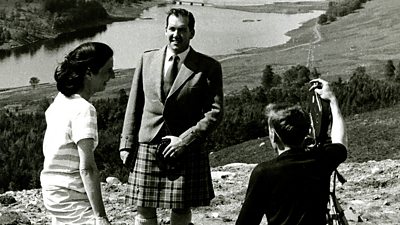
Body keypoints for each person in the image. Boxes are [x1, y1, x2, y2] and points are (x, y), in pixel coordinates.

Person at [119, 8, 224, 225]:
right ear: (165, 30)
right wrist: (126, 144)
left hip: (183, 148)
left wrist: (185, 140)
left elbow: (215, 112)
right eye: (172, 29)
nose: (176, 35)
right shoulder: (147, 59)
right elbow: (135, 104)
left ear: (192, 32)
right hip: (148, 144)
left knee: (181, 207)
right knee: (144, 209)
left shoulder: (208, 67)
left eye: (182, 30)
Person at [236, 78, 348, 225]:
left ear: (274, 136)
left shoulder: (264, 172)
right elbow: (341, 142)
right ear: (306, 132)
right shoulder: (322, 160)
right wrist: (332, 100)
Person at [41, 42, 115, 225]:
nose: (112, 76)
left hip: (52, 193)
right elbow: (87, 168)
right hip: (70, 195)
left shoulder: (59, 102)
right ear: (89, 73)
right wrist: (100, 216)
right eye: (108, 70)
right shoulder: (84, 109)